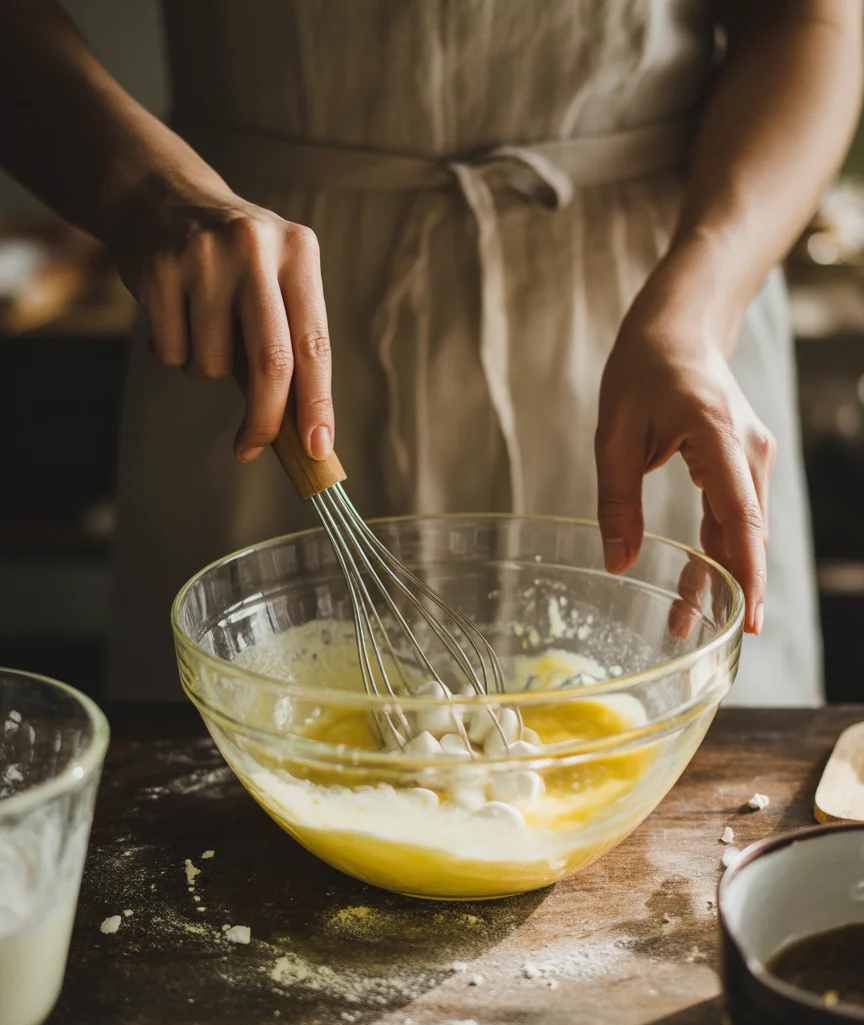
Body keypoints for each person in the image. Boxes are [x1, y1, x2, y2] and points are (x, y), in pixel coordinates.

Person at [0, 1, 860, 704]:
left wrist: (701, 309)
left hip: (657, 306)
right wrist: (150, 190)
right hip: (257, 307)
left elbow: (810, 22)